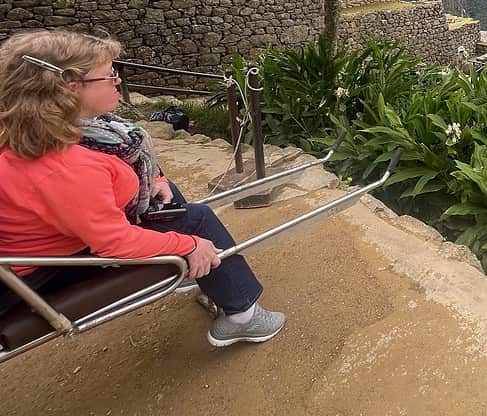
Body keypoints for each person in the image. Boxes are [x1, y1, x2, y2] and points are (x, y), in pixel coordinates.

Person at [0, 30, 285, 347]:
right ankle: (243, 315)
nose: (118, 81)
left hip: (55, 239)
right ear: (71, 89)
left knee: (169, 194)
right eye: (109, 76)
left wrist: (155, 178)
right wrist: (188, 245)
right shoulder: (65, 168)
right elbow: (113, 243)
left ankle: (204, 276)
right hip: (51, 270)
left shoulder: (38, 131)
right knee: (198, 221)